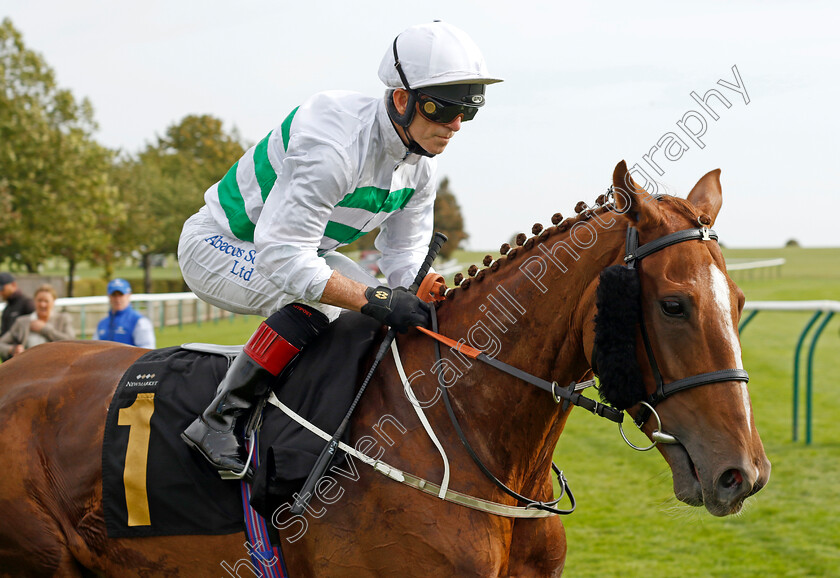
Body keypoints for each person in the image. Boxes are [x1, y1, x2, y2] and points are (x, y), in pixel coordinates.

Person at [178, 21, 501, 475]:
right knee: (336, 306)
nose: (455, 126)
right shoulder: (334, 147)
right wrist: (376, 299)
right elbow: (282, 257)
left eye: (467, 112)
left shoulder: (419, 168)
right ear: (402, 99)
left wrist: (422, 291)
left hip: (295, 251)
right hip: (220, 245)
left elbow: (404, 257)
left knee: (379, 319)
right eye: (443, 109)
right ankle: (219, 419)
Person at [0, 284, 75, 358]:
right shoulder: (22, 322)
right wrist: (12, 349)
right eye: (39, 300)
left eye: (46, 301)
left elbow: (72, 343)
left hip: (57, 365)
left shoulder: (63, 319)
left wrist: (44, 329)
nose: (42, 304)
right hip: (28, 366)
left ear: (53, 301)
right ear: (34, 301)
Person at [93, 278, 156, 349]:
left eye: (121, 295)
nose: (117, 299)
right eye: (114, 295)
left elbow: (147, 352)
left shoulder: (139, 322)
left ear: (129, 295)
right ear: (109, 296)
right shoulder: (102, 324)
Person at [0, 272, 35, 340]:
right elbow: (4, 334)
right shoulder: (7, 308)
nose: (0, 293)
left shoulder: (27, 303)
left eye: (2, 289)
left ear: (13, 285)